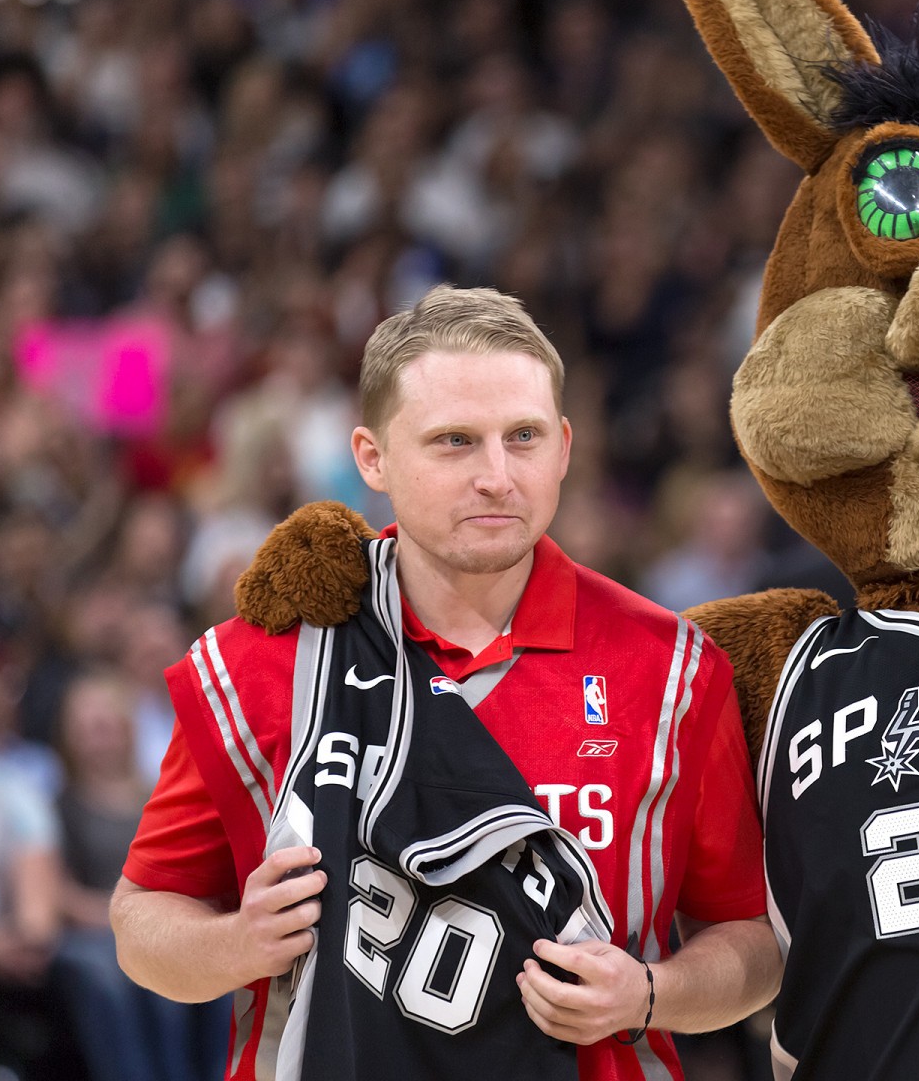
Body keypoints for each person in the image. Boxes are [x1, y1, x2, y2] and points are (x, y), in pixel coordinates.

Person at [110, 286, 781, 1080]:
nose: (497, 476)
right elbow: (141, 920)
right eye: (454, 441)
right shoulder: (268, 657)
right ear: (372, 458)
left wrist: (648, 993)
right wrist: (235, 944)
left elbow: (752, 943)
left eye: (523, 437)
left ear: (565, 447)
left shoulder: (673, 668)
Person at [51, 672, 226, 1081]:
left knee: (217, 976)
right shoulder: (61, 802)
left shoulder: (158, 793)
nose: (99, 738)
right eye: (89, 728)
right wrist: (126, 917)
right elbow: (57, 890)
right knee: (129, 977)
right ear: (70, 736)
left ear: (128, 727)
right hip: (93, 929)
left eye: (107, 725)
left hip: (162, 920)